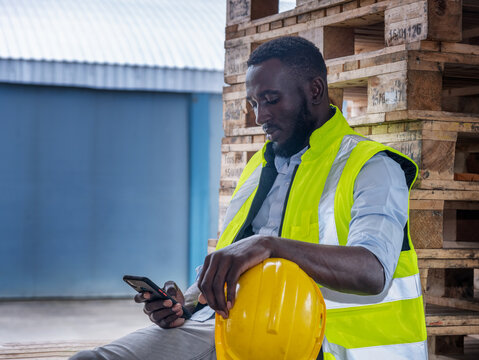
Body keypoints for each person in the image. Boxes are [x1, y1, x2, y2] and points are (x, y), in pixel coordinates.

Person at [72, 36, 427, 360]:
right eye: (254, 103)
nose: (260, 117)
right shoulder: (259, 166)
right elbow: (237, 255)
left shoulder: (372, 167)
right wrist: (189, 302)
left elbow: (372, 271)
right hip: (229, 330)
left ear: (315, 90)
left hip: (318, 346)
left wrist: (271, 245)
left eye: (271, 100)